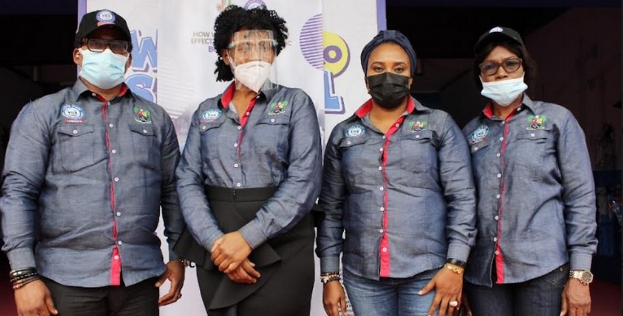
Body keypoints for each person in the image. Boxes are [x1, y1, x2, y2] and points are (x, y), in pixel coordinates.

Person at [0, 9, 185, 316]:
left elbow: (172, 191)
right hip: (66, 280)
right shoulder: (42, 113)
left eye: (118, 46)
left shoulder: (155, 118)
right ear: (78, 54)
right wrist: (23, 275)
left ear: (128, 59)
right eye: (97, 44)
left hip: (140, 280)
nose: (108, 52)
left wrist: (178, 255)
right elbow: (18, 194)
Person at [315, 30, 477, 316]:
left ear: (411, 77)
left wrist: (455, 265)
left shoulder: (438, 125)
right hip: (363, 276)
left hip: (428, 272)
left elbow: (462, 198)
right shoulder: (343, 135)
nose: (388, 76)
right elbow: (330, 209)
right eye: (378, 69)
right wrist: (330, 276)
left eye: (398, 69)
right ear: (366, 78)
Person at [174, 5, 322, 316]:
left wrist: (246, 238)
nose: (254, 54)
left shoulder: (295, 103)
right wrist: (217, 243)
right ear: (225, 56)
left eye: (264, 45)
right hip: (219, 249)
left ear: (275, 52)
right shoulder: (205, 111)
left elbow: (304, 182)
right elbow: (188, 179)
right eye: (243, 46)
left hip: (283, 243)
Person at [462, 26, 597, 316]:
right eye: (490, 66)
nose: (501, 73)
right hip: (484, 274)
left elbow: (581, 199)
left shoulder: (556, 120)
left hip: (544, 269)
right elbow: (461, 203)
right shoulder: (471, 133)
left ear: (524, 67)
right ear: (480, 75)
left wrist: (580, 274)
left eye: (510, 63)